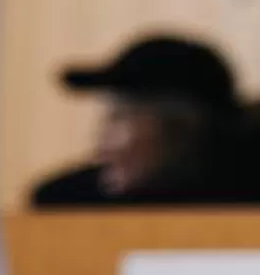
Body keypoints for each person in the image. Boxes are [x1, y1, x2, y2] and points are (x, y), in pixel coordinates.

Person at [30, 34, 254, 208]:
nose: (101, 144)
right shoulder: (68, 203)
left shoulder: (241, 208)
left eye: (118, 118)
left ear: (182, 132)